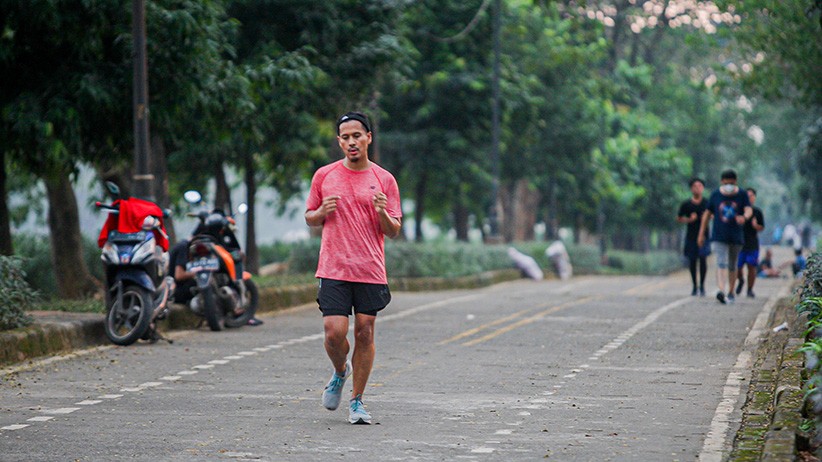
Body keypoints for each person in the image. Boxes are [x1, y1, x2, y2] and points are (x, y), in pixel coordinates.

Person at [305, 111, 402, 425]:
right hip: (333, 267)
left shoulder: (383, 179)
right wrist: (321, 210)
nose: (351, 142)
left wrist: (383, 212)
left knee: (365, 331)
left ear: (369, 138)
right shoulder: (325, 175)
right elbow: (310, 216)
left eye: (357, 136)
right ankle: (339, 371)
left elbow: (393, 229)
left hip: (370, 269)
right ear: (339, 141)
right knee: (334, 333)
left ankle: (357, 401)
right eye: (345, 137)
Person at [697, 169, 752, 304]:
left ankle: (731, 291)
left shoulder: (742, 194)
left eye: (732, 183)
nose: (729, 185)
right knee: (721, 262)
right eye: (727, 183)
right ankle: (721, 290)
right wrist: (701, 234)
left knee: (733, 264)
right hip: (719, 235)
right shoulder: (715, 195)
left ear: (735, 182)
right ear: (722, 182)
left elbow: (748, 209)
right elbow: (706, 215)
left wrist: (744, 217)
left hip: (736, 236)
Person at [677, 177, 709, 296]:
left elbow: (714, 215)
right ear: (691, 189)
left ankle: (702, 286)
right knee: (692, 261)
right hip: (691, 236)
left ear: (703, 188)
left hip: (705, 236)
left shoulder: (707, 203)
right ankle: (694, 286)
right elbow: (679, 218)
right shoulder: (686, 204)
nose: (697, 188)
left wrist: (707, 217)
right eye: (695, 186)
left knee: (703, 259)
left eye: (700, 186)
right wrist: (689, 219)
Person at [735, 188, 765, 298]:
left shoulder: (757, 212)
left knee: (751, 267)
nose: (749, 198)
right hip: (739, 244)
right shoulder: (738, 211)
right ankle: (741, 280)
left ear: (754, 197)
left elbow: (762, 227)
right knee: (737, 267)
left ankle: (750, 289)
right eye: (747, 195)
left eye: (751, 195)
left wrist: (756, 226)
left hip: (752, 244)